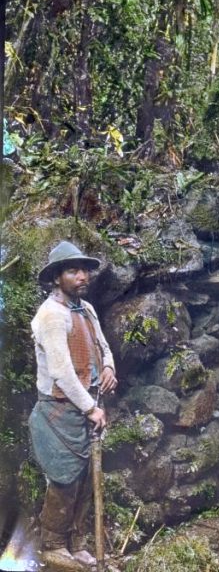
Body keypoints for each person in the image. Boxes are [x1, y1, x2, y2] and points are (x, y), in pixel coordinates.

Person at [29, 241, 117, 568]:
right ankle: (52, 544)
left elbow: (104, 347)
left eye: (84, 270)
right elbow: (62, 373)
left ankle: (76, 541)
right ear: (56, 278)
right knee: (64, 478)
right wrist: (91, 408)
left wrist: (108, 367)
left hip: (86, 404)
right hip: (59, 410)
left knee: (83, 479)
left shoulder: (86, 309)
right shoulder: (51, 315)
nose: (82, 276)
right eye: (72, 271)